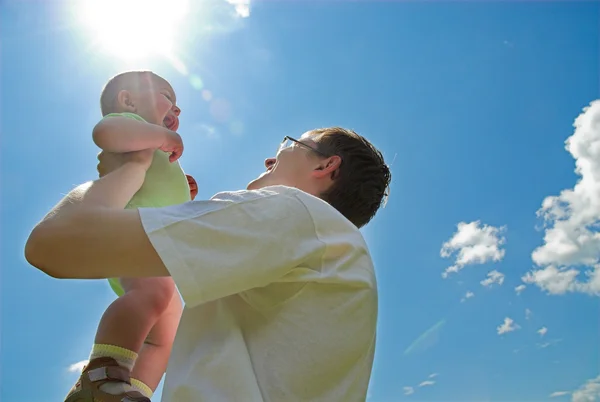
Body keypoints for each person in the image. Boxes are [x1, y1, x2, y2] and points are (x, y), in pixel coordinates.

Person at [25, 126, 391, 402]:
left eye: (289, 144)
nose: (270, 158)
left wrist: (127, 171)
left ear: (327, 166)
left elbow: (54, 243)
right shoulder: (335, 250)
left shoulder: (294, 211)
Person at [64, 70, 199, 402]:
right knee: (154, 292)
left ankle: (130, 391)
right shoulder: (127, 124)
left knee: (169, 335)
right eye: (167, 96)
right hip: (129, 232)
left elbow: (157, 192)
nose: (177, 109)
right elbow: (107, 132)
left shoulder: (152, 145)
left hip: (156, 246)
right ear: (128, 100)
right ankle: (102, 374)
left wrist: (184, 193)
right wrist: (159, 136)